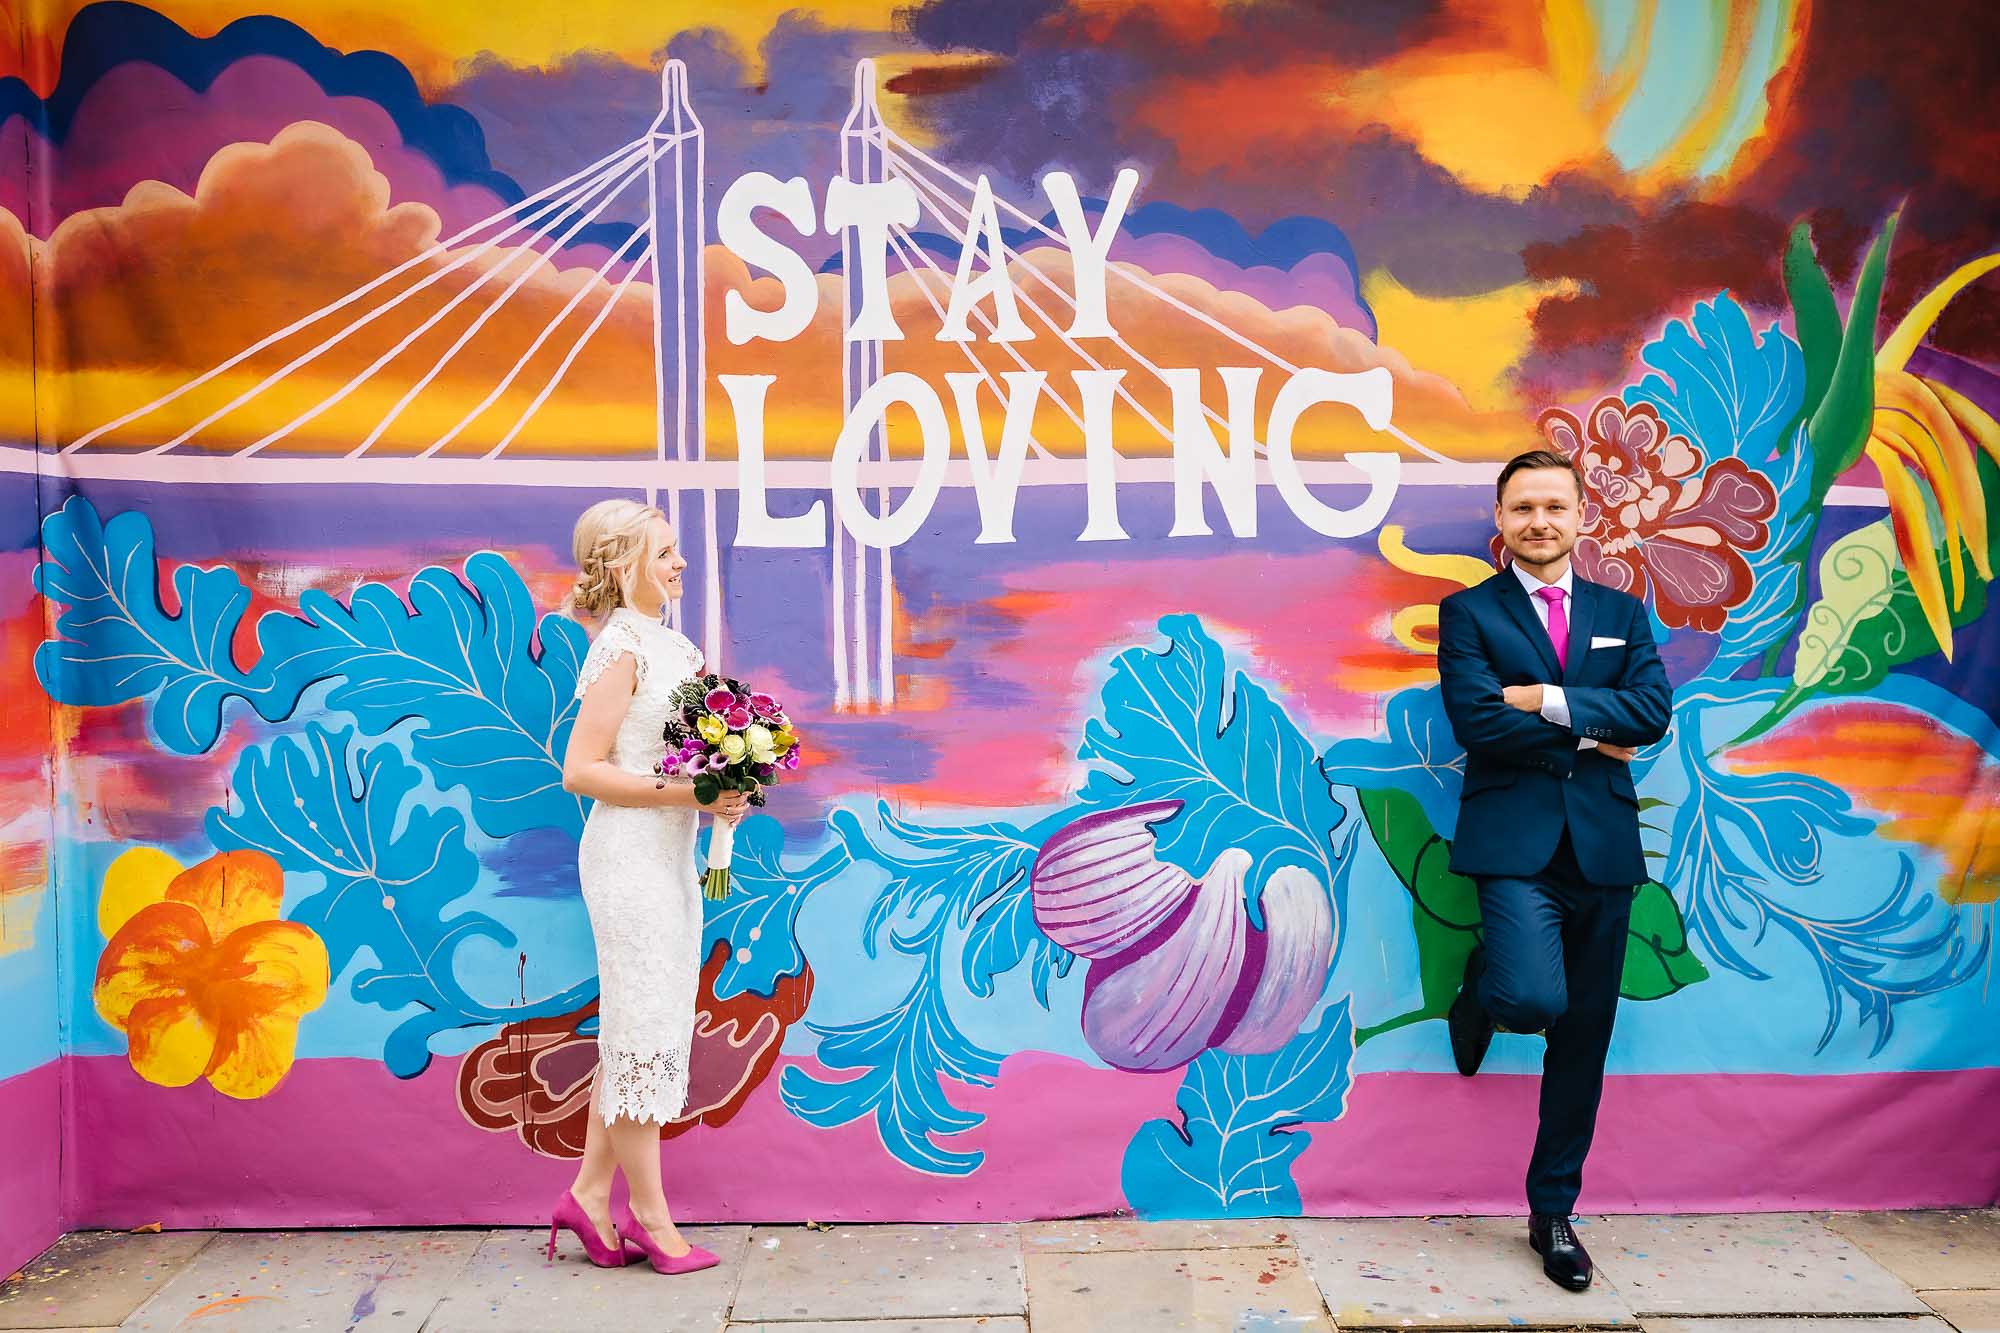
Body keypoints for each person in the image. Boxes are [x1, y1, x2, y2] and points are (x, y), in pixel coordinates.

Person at [1436, 449, 1672, 1292]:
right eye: (1522, 507)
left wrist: (1541, 699)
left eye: (1554, 506)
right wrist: (1590, 734)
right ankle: (1484, 986)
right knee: (1533, 998)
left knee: (1583, 1039)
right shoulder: (1468, 613)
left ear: (1582, 517)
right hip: (1514, 843)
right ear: (1501, 522)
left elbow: (1651, 713)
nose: (1539, 520)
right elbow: (1475, 723)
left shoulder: (1622, 611)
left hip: (1603, 849)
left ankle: (1552, 1211)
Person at [546, 499, 748, 1276]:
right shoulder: (622, 646)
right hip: (627, 860)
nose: (680, 563)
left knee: (645, 1027)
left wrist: (728, 783)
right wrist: (686, 796)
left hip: (669, 857)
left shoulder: (676, 645)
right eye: (665, 551)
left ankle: (590, 1196)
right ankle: (653, 1221)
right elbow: (580, 769)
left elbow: (691, 761)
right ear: (625, 561)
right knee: (641, 1032)